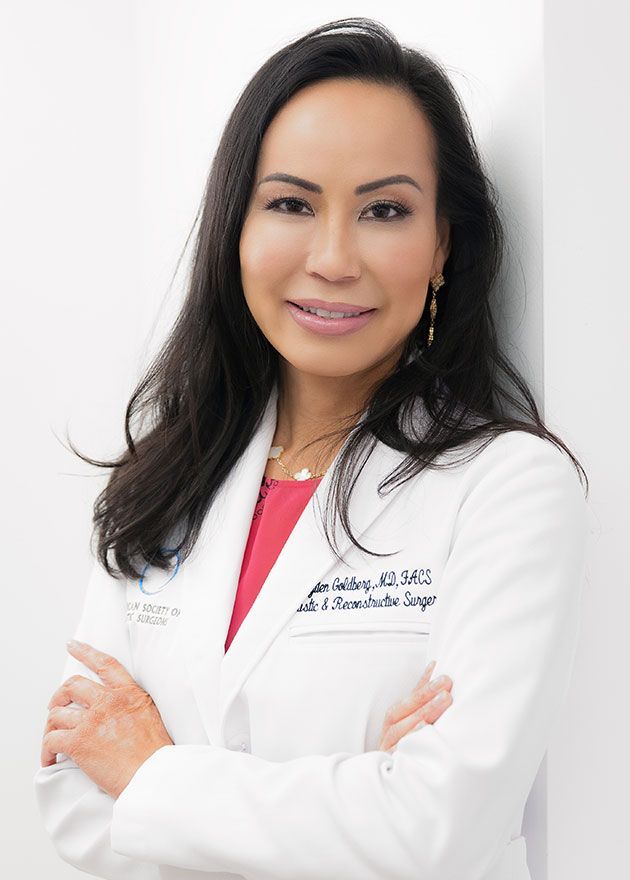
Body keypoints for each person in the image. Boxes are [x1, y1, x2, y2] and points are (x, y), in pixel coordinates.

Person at [33, 16, 589, 880]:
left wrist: (150, 774)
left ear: (443, 243)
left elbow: (437, 828)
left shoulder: (509, 487)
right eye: (292, 203)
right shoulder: (170, 477)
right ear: (236, 228)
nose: (332, 258)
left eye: (385, 210)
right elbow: (72, 796)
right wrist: (361, 786)